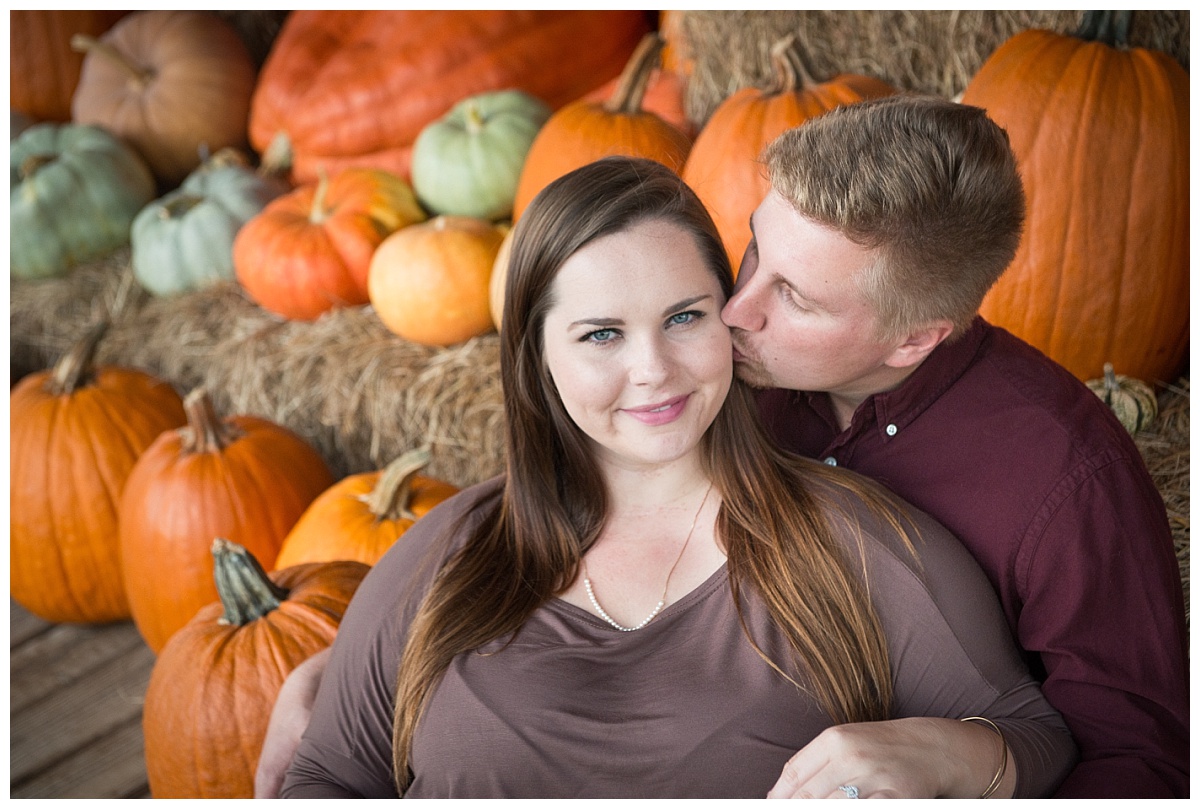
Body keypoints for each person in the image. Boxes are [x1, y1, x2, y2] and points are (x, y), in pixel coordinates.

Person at [276, 155, 1076, 799]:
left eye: (684, 316)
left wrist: (947, 753)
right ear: (536, 358)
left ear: (728, 316)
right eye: (600, 334)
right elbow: (325, 776)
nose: (653, 369)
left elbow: (1036, 736)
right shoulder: (446, 557)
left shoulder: (856, 547)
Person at [719, 95, 1188, 798]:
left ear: (915, 337)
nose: (735, 309)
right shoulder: (727, 370)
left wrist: (970, 758)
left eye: (795, 297)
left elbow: (1141, 762)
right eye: (755, 247)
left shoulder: (1072, 480)